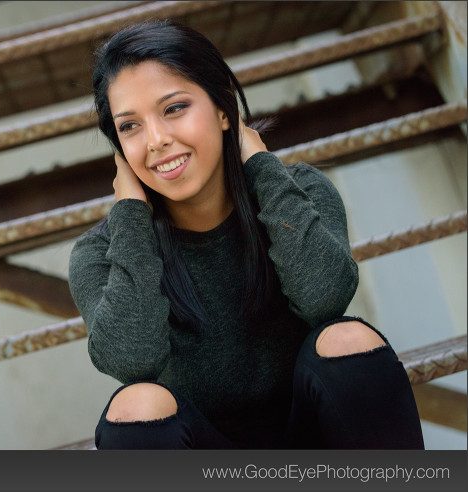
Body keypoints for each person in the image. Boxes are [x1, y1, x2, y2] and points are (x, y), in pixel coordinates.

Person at [68, 20, 424, 449]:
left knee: (348, 338)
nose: (157, 140)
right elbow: (131, 359)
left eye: (174, 108)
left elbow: (325, 297)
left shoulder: (300, 193)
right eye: (130, 126)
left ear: (223, 110)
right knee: (136, 405)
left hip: (316, 443)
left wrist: (260, 165)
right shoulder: (102, 252)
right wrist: (130, 214)